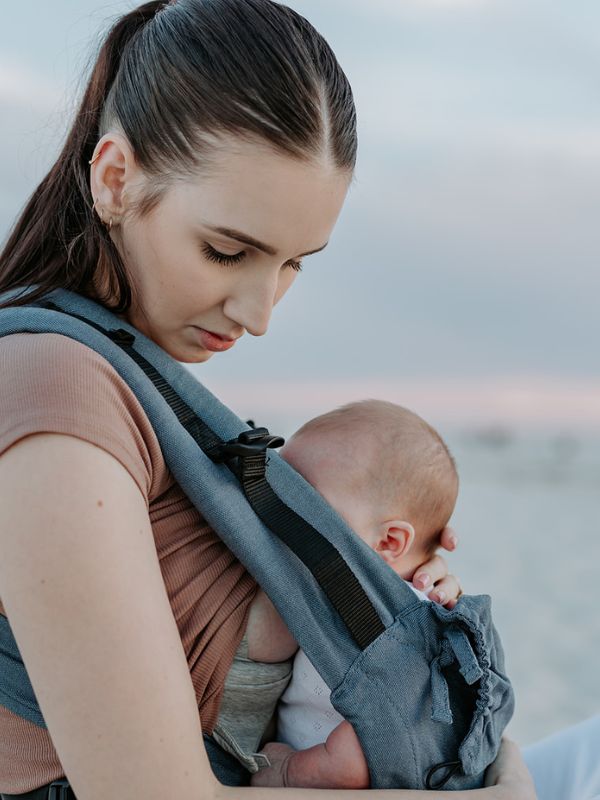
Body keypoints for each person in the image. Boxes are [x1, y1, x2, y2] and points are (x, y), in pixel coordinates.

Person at [0, 1, 538, 799]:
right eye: (227, 251)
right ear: (115, 179)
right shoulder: (54, 390)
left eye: (294, 263)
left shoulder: (124, 374)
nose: (260, 313)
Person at [245, 398, 463, 789]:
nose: (276, 506)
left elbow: (364, 752)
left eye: (307, 500)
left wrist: (286, 770)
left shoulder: (391, 631)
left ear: (389, 540)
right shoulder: (334, 593)